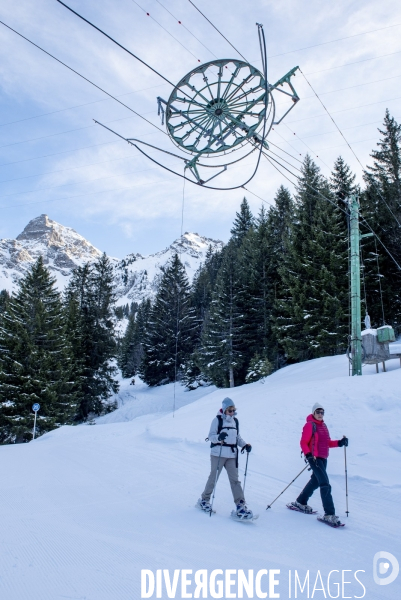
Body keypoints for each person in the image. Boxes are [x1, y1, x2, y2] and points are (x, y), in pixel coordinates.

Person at [289, 402, 348, 526]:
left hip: (323, 458)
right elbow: (303, 442)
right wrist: (309, 455)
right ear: (313, 413)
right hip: (315, 459)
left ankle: (301, 501)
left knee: (315, 481)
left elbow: (327, 443)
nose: (320, 414)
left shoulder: (323, 426)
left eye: (322, 412)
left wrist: (340, 443)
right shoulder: (309, 425)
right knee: (325, 483)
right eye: (318, 412)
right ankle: (329, 514)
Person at [197, 397, 253, 519]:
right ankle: (204, 500)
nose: (232, 413)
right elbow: (211, 436)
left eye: (233, 410)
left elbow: (237, 437)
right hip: (218, 453)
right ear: (224, 410)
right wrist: (219, 437)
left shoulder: (235, 421)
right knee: (214, 477)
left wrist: (245, 445)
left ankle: (240, 506)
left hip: (232, 455)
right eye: (229, 410)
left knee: (235, 481)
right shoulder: (217, 420)